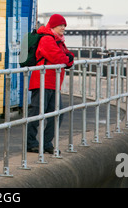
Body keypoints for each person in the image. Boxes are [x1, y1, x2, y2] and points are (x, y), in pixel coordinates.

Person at [27, 13, 75, 154]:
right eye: (61, 25)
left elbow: (68, 57)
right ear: (53, 25)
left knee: (57, 113)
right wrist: (67, 59)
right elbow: (58, 57)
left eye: (64, 25)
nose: (63, 28)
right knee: (36, 114)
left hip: (53, 83)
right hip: (41, 82)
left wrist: (67, 59)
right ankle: (31, 143)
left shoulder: (58, 40)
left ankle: (46, 143)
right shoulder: (47, 39)